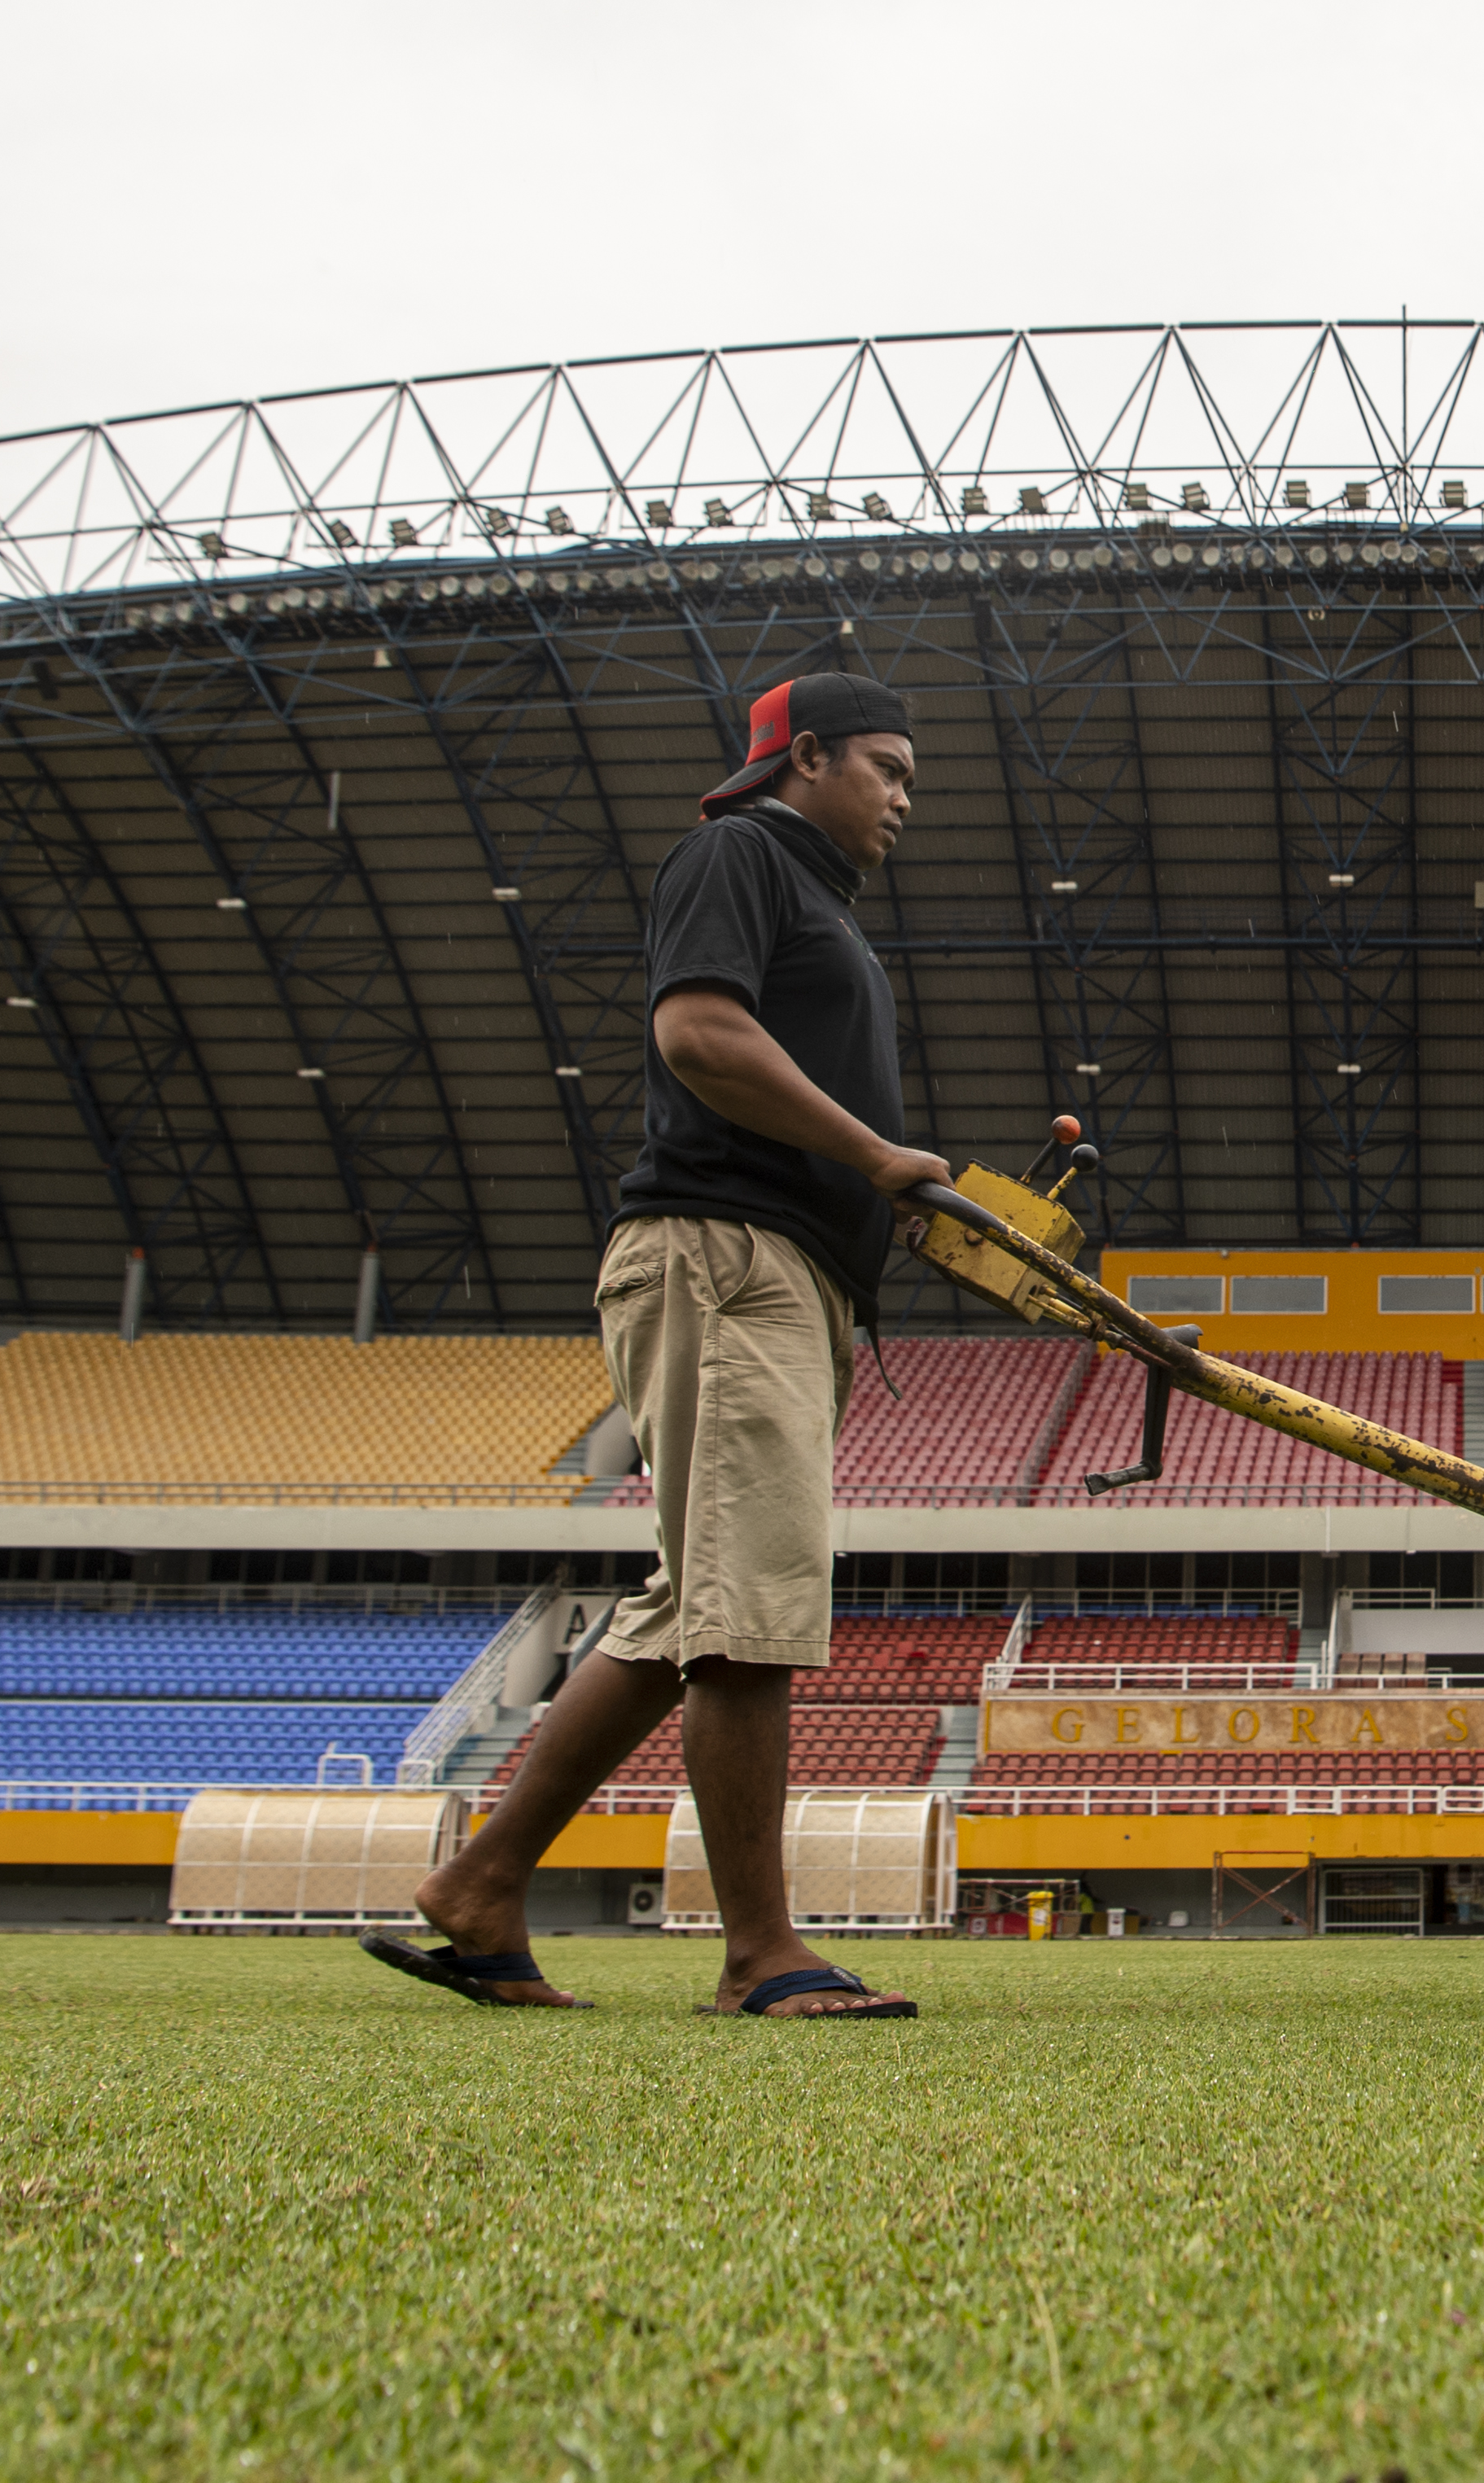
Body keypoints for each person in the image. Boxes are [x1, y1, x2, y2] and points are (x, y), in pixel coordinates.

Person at [369, 671, 948, 2017]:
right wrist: (870, 1154)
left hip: (775, 1269)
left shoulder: (815, 904)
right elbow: (697, 1031)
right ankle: (762, 1952)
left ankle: (482, 1887)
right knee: (745, 1612)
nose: (905, 796)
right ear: (805, 758)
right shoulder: (737, 851)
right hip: (724, 1256)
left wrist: (878, 1193)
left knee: (687, 1608)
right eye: (888, 766)